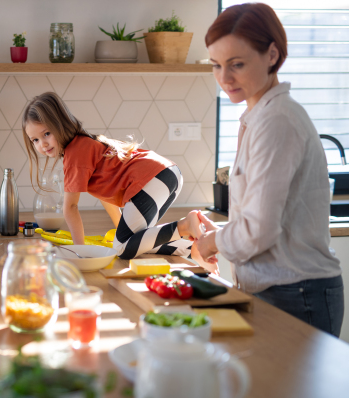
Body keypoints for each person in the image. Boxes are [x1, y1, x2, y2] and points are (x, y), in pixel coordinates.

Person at [195, 3, 344, 336]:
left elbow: (259, 231)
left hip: (297, 293)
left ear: (272, 54)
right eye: (216, 65)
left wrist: (211, 242)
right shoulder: (260, 116)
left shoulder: (276, 121)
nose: (224, 78)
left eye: (237, 64)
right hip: (284, 289)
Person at [22, 92, 214, 269]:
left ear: (60, 124)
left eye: (46, 133)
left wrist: (79, 252)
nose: (42, 144)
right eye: (35, 140)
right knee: (136, 241)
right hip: (165, 174)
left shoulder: (75, 153)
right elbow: (106, 195)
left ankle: (186, 225)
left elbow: (70, 208)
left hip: (153, 178)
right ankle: (191, 247)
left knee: (121, 248)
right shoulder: (82, 145)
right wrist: (120, 229)